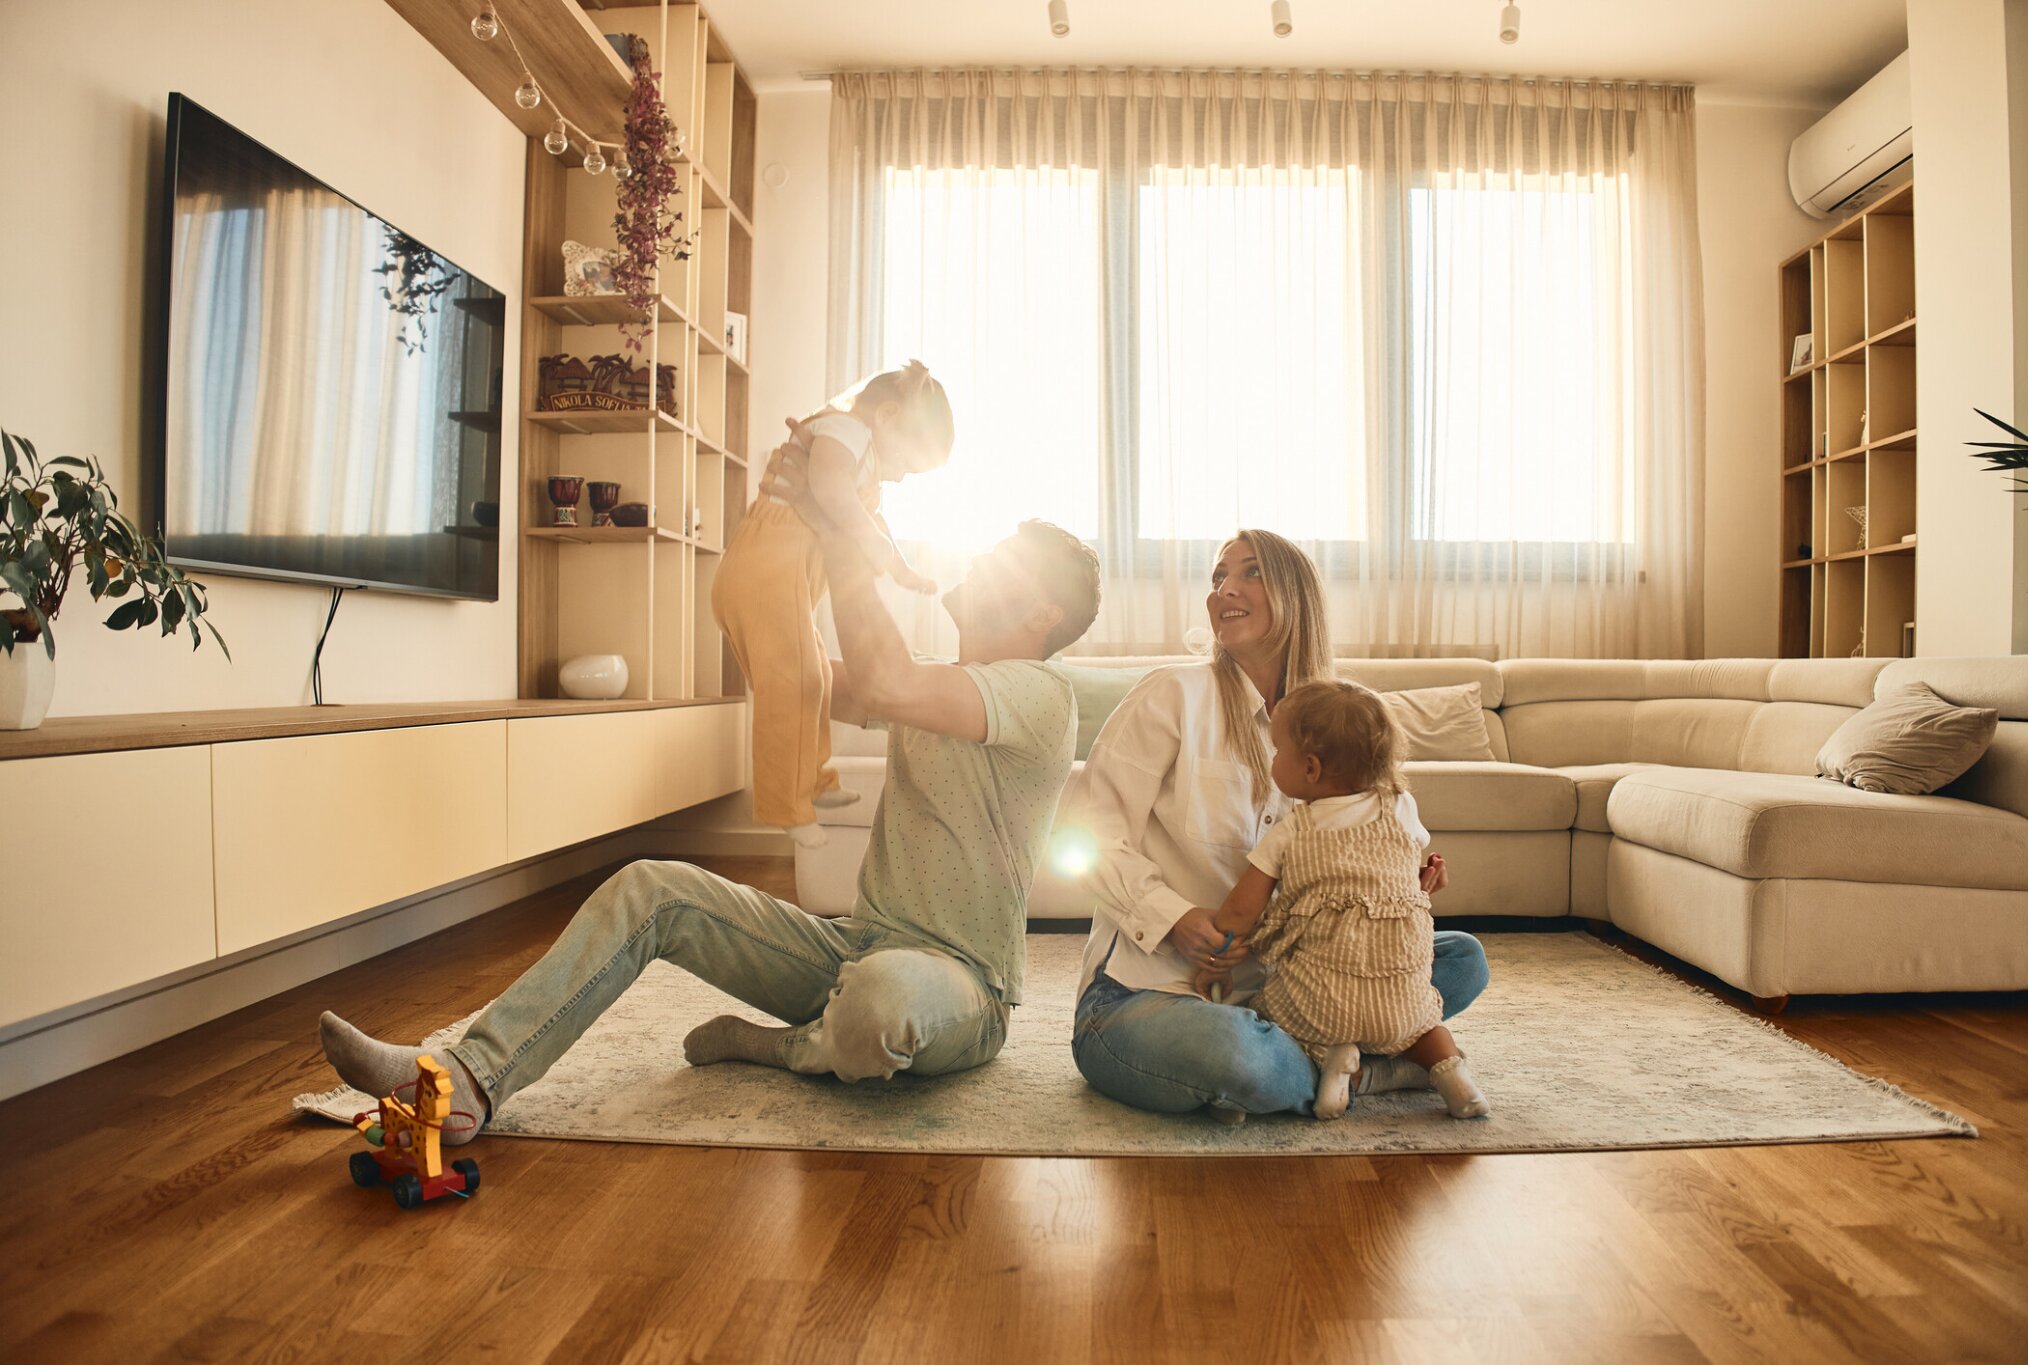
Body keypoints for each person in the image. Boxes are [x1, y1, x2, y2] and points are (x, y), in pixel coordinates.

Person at [318, 429, 1102, 1144]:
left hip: (961, 987)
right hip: (849, 947)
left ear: (1042, 610)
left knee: (880, 1003)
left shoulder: (1040, 693)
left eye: (1006, 562)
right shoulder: (938, 682)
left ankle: (784, 1047)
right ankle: (470, 1077)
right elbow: (792, 677)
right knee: (651, 888)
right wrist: (769, 554)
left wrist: (838, 524)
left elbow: (888, 683)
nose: (979, 564)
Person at [1066, 529, 1490, 1121]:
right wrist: (1176, 919)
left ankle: (1317, 1062)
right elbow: (1084, 837)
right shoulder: (1171, 695)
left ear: (1297, 594)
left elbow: (1392, 824)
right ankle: (1362, 1070)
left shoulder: (1347, 716)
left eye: (1250, 573)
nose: (1224, 590)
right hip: (1151, 993)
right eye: (1217, 577)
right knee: (1240, 1057)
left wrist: (1405, 882)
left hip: (1299, 987)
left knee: (1463, 959)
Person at [1196, 679, 1488, 1120]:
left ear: (1311, 768)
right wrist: (1423, 880)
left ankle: (1333, 1064)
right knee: (1423, 1018)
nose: (1273, 760)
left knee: (1267, 1014)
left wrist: (1216, 957)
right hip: (1399, 999)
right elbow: (1394, 874)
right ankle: (1452, 1075)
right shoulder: (1400, 806)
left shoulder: (1294, 830)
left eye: (1277, 752)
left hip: (1320, 1001)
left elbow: (1241, 912)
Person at [710, 362, 955, 851]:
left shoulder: (864, 465)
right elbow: (828, 489)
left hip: (787, 579)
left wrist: (901, 568)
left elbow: (869, 521)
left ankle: (814, 781)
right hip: (763, 570)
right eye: (909, 462)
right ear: (885, 416)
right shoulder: (843, 431)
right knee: (795, 680)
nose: (903, 477)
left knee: (815, 676)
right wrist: (871, 542)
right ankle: (786, 805)